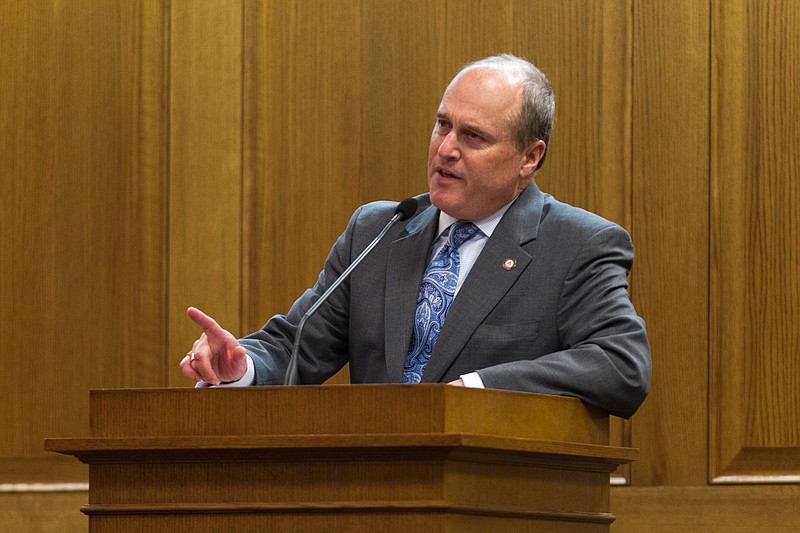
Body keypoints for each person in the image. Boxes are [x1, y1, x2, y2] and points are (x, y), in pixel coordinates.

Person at [180, 54, 651, 419]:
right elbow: (298, 344)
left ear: (529, 157)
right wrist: (242, 368)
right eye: (442, 125)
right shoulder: (380, 229)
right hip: (370, 490)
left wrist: (477, 391)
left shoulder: (577, 246)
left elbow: (620, 363)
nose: (445, 149)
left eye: (473, 137)